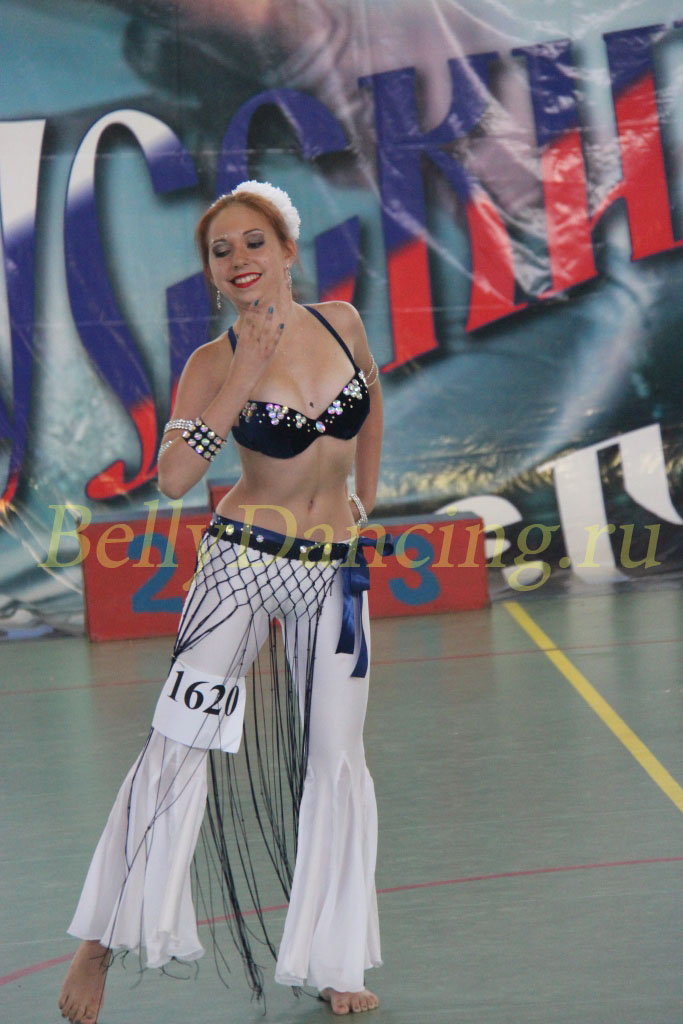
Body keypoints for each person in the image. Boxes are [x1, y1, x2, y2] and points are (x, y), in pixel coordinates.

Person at [58, 180, 384, 1023]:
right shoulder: (210, 362)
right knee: (179, 743)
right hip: (240, 566)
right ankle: (100, 942)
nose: (238, 259)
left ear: (287, 249)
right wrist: (243, 371)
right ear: (210, 272)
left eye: (253, 242)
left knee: (336, 758)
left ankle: (332, 959)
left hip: (334, 574)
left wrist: (366, 497)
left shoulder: (342, 324)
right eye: (220, 251)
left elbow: (371, 399)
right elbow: (173, 479)